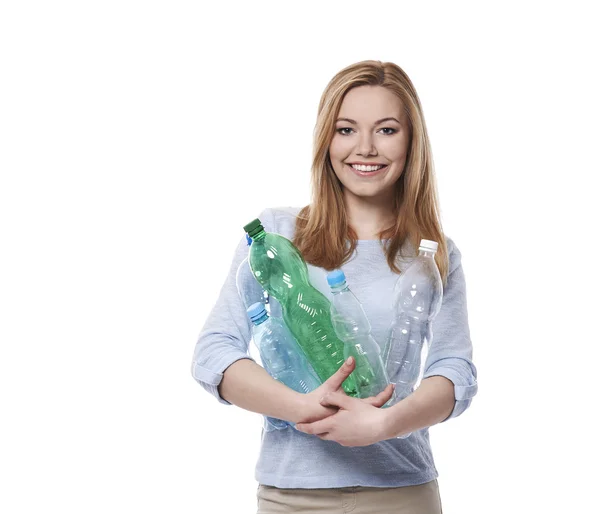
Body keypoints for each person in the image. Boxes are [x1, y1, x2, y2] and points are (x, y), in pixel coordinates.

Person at [191, 60, 478, 513]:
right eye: (346, 130)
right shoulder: (276, 235)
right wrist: (300, 407)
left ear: (412, 141)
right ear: (326, 139)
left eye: (386, 130)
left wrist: (386, 424)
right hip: (291, 495)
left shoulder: (434, 254)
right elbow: (215, 353)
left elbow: (454, 372)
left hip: (401, 493)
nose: (365, 148)